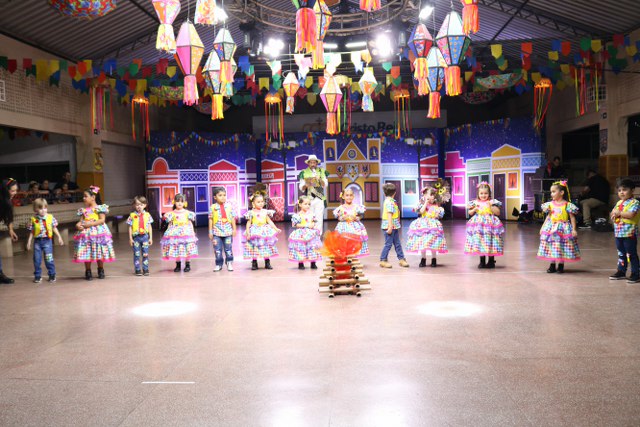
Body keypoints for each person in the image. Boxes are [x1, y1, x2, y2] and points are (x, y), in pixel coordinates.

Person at [537, 181, 581, 273]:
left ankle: (561, 265)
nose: (551, 194)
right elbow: (548, 217)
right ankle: (552, 265)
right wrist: (542, 227)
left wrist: (574, 229)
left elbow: (572, 218)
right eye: (551, 192)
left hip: (563, 228)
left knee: (562, 245)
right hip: (552, 228)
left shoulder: (567, 205)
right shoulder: (550, 204)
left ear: (561, 192)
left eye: (553, 191)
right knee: (552, 245)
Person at [73, 186, 115, 280]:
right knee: (87, 251)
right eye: (83, 196)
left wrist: (90, 224)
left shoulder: (99, 208)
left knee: (99, 250)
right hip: (86, 235)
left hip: (98, 233)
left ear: (93, 197)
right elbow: (81, 221)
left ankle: (100, 269)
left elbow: (102, 220)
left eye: (85, 196)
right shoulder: (84, 210)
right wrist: (78, 225)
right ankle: (88, 271)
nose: (83, 198)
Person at [406, 182, 449, 268]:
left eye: (433, 195)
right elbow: (421, 212)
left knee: (434, 242)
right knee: (423, 242)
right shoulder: (422, 204)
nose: (432, 197)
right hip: (423, 225)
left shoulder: (436, 205)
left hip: (433, 226)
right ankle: (423, 259)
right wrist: (425, 203)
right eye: (430, 195)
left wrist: (437, 214)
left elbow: (439, 215)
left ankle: (434, 259)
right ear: (425, 195)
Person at [465, 182, 505, 268]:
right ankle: (482, 261)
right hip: (479, 225)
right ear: (478, 194)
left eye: (486, 193)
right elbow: (470, 212)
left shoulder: (492, 202)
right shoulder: (475, 202)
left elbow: (498, 212)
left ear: (489, 194)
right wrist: (474, 209)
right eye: (481, 193)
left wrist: (491, 206)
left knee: (491, 241)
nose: (483, 195)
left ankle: (491, 261)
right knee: (480, 241)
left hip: (490, 225)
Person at [26, 198, 64, 283]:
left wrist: (59, 237)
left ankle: (52, 274)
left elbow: (54, 228)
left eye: (45, 208)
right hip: (37, 242)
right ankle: (37, 276)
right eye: (40, 208)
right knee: (37, 260)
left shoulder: (50, 217)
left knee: (49, 259)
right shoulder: (33, 219)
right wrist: (29, 241)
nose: (43, 210)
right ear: (35, 209)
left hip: (47, 241)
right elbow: (32, 231)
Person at [609, 179, 640, 284]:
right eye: (619, 190)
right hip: (619, 233)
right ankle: (621, 271)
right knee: (621, 253)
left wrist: (619, 213)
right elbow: (613, 213)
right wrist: (613, 215)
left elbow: (631, 214)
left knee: (631, 253)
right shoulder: (619, 203)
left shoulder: (635, 202)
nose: (621, 192)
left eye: (624, 190)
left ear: (632, 190)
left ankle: (636, 273)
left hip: (629, 233)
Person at [161, 193, 198, 273]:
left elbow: (190, 223)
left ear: (184, 203)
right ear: (174, 202)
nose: (180, 203)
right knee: (176, 248)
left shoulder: (187, 213)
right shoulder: (171, 213)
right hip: (175, 233)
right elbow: (170, 223)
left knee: (187, 248)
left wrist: (192, 232)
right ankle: (178, 264)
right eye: (178, 201)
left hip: (186, 233)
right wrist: (168, 233)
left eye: (182, 201)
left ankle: (187, 264)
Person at [244, 192, 281, 270]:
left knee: (265, 246)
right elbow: (249, 223)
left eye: (262, 201)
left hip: (264, 231)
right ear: (253, 203)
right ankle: (254, 262)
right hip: (255, 231)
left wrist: (276, 228)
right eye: (258, 202)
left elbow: (269, 221)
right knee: (255, 247)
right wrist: (248, 232)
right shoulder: (251, 213)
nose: (261, 203)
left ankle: (267, 262)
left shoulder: (265, 212)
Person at [379, 183, 409, 268]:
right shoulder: (389, 202)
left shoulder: (391, 201)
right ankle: (383, 260)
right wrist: (390, 227)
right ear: (395, 193)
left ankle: (401, 259)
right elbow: (389, 214)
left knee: (397, 243)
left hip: (394, 226)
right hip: (389, 226)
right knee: (388, 244)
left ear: (384, 193)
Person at [333, 188, 369, 257]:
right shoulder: (340, 208)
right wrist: (343, 218)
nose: (349, 197)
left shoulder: (357, 207)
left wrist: (357, 218)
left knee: (354, 241)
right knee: (344, 241)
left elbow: (361, 216)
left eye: (350, 195)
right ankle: (346, 256)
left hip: (354, 227)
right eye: (347, 195)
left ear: (353, 196)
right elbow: (339, 218)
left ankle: (353, 256)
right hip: (343, 227)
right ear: (343, 196)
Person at [288, 196, 322, 269]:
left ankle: (313, 262)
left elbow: (313, 222)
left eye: (309, 204)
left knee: (312, 247)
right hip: (301, 233)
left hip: (310, 232)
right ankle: (301, 263)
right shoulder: (298, 215)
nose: (307, 206)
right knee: (301, 248)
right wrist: (306, 225)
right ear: (300, 205)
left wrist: (312, 225)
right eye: (305, 204)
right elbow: (295, 225)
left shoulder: (311, 214)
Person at [209, 187, 237, 272]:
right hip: (216, 232)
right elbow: (210, 219)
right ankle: (218, 264)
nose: (223, 197)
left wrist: (234, 229)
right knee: (217, 250)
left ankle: (229, 262)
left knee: (228, 249)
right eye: (220, 195)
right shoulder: (213, 207)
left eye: (224, 195)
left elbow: (232, 218)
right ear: (215, 197)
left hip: (228, 232)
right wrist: (210, 231)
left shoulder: (229, 206)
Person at [298, 155, 328, 232]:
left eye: (314, 162)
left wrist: (320, 179)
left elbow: (325, 185)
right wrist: (306, 185)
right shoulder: (304, 172)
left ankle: (318, 234)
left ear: (317, 163)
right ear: (308, 163)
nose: (312, 164)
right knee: (309, 217)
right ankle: (310, 234)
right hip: (309, 199)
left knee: (319, 218)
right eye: (311, 162)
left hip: (319, 198)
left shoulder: (321, 171)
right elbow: (301, 188)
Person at [127, 196, 154, 276]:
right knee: (137, 254)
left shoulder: (147, 215)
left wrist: (150, 238)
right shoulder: (132, 215)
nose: (139, 206)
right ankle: (137, 269)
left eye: (141, 205)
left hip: (145, 237)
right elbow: (130, 227)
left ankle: (145, 269)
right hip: (136, 238)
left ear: (145, 205)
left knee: (145, 254)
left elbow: (149, 227)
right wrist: (130, 238)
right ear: (134, 205)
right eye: (137, 204)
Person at [0, 178, 19, 284]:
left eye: (16, 190)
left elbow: (8, 217)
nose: (15, 193)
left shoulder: (7, 201)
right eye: (12, 191)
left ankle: (0, 274)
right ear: (5, 190)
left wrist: (11, 230)